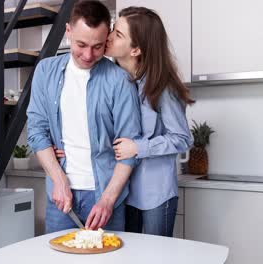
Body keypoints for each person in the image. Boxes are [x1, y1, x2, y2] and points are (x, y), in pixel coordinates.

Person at [26, 0, 142, 233]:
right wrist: (58, 180)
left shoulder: (119, 81)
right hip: (60, 197)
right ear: (68, 31)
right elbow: (37, 131)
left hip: (106, 198)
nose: (88, 55)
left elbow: (129, 150)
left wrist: (107, 200)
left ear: (107, 38)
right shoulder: (45, 71)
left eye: (98, 47)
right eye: (81, 44)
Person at [106, 7, 195, 236]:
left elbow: (182, 138)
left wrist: (138, 147)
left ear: (135, 49)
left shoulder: (161, 87)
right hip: (123, 192)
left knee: (158, 257)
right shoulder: (117, 83)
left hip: (155, 194)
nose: (109, 36)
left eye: (118, 34)